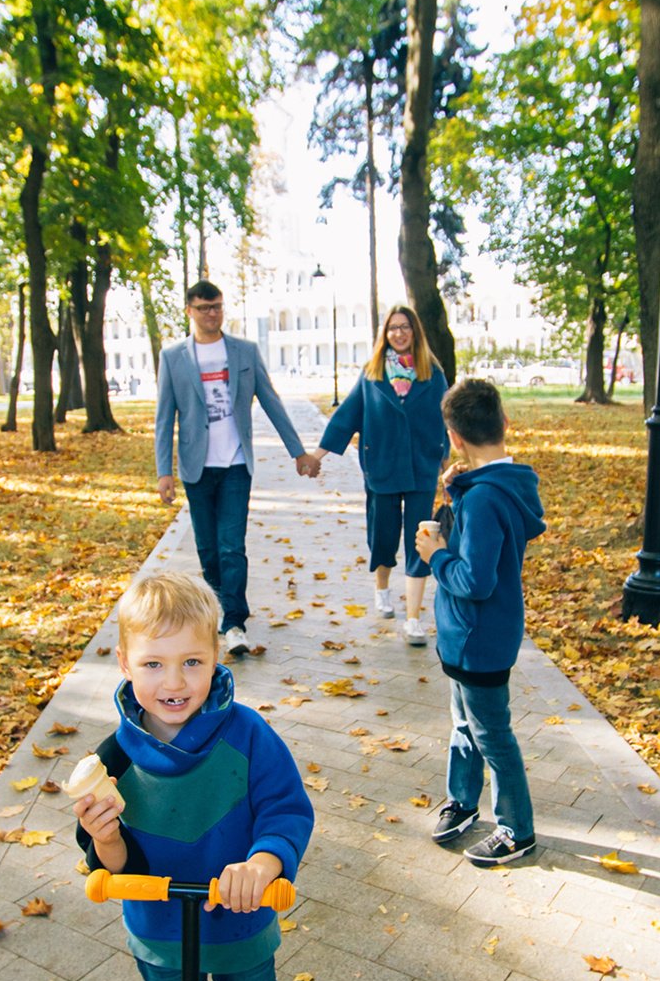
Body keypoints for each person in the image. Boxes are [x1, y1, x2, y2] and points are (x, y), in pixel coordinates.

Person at [72, 571, 317, 981]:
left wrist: (264, 862)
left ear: (217, 659)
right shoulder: (113, 759)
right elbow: (112, 861)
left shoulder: (247, 736)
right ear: (124, 663)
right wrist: (105, 837)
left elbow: (286, 811)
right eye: (153, 663)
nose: (173, 681)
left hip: (238, 923)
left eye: (191, 662)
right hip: (158, 926)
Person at [418, 378, 548, 868]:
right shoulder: (497, 488)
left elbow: (474, 580)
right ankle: (464, 801)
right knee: (464, 724)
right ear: (505, 424)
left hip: (478, 639)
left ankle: (517, 829)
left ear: (454, 437)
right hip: (471, 638)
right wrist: (454, 491)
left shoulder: (486, 499)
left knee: (491, 734)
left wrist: (435, 555)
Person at [153, 280, 319, 654]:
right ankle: (214, 612)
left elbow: (272, 402)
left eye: (217, 306)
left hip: (235, 465)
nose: (212, 313)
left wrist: (299, 452)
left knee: (231, 546)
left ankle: (235, 623)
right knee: (207, 549)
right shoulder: (173, 357)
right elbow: (164, 419)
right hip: (196, 467)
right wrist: (164, 471)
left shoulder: (244, 351)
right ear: (190, 311)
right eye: (204, 307)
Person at [317, 303, 450, 648]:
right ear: (385, 334)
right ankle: (382, 590)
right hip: (382, 466)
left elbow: (445, 418)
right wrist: (317, 454)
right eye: (393, 328)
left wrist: (450, 460)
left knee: (421, 539)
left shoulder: (432, 373)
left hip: (421, 466)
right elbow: (347, 415)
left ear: (415, 331)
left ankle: (415, 618)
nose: (399, 333)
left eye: (405, 326)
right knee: (384, 535)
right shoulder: (372, 373)